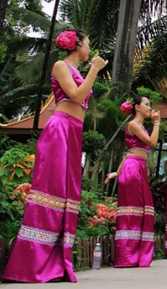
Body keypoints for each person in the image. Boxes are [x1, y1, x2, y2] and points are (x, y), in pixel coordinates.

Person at [2, 30, 107, 283]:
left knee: (66, 193)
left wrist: (90, 71)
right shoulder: (61, 65)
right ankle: (30, 264)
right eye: (88, 43)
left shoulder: (79, 71)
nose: (90, 48)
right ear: (77, 45)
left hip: (74, 132)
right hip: (60, 129)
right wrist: (94, 69)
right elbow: (76, 95)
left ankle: (56, 261)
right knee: (50, 190)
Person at [104, 96, 159, 268]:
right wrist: (157, 123)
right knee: (132, 210)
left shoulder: (139, 126)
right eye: (147, 105)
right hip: (133, 169)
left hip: (136, 167)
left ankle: (137, 255)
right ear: (137, 107)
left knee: (142, 209)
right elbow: (152, 142)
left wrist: (117, 172)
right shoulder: (134, 124)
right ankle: (127, 256)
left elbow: (130, 152)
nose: (149, 108)